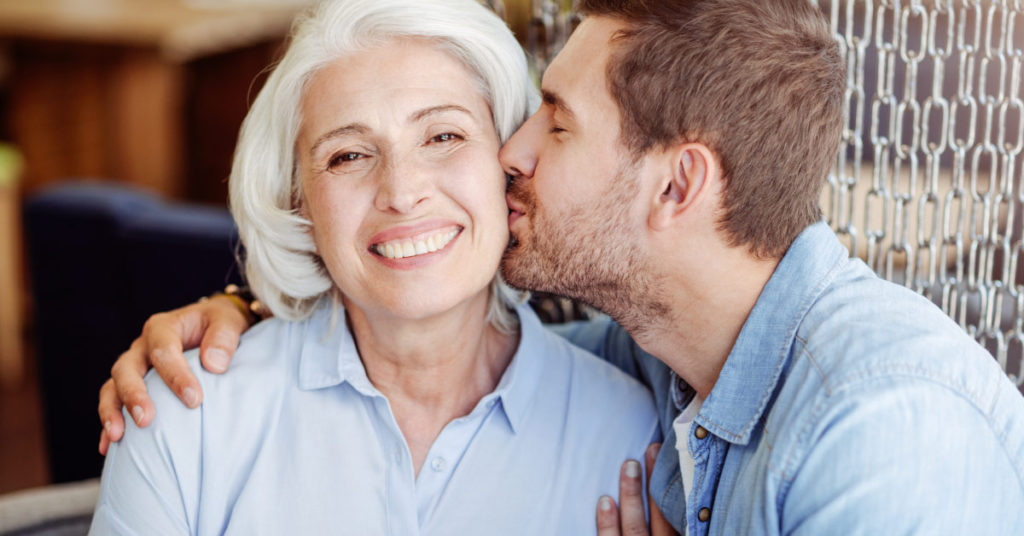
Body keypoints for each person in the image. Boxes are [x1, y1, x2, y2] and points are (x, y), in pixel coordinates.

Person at [99, 0, 1024, 534]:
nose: (514, 153)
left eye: (557, 122)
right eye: (346, 156)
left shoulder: (885, 428)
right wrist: (247, 308)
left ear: (675, 187)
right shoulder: (666, 368)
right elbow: (429, 329)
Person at [88, 0, 661, 533]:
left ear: (510, 163)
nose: (402, 192)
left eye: (443, 135)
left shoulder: (630, 436)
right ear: (299, 204)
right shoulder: (184, 422)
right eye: (349, 155)